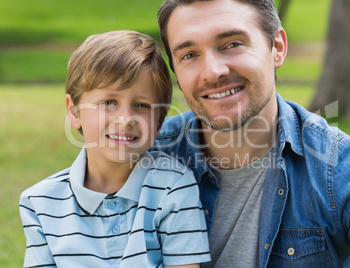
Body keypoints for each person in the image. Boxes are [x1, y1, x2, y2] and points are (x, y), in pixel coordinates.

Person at [149, 0, 350, 267]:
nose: (213, 72)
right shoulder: (146, 157)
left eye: (232, 44)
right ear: (175, 70)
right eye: (189, 54)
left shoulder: (338, 168)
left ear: (277, 48)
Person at [19, 30, 210, 268]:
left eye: (141, 105)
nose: (126, 119)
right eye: (109, 102)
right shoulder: (40, 202)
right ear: (73, 111)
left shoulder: (173, 187)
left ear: (160, 121)